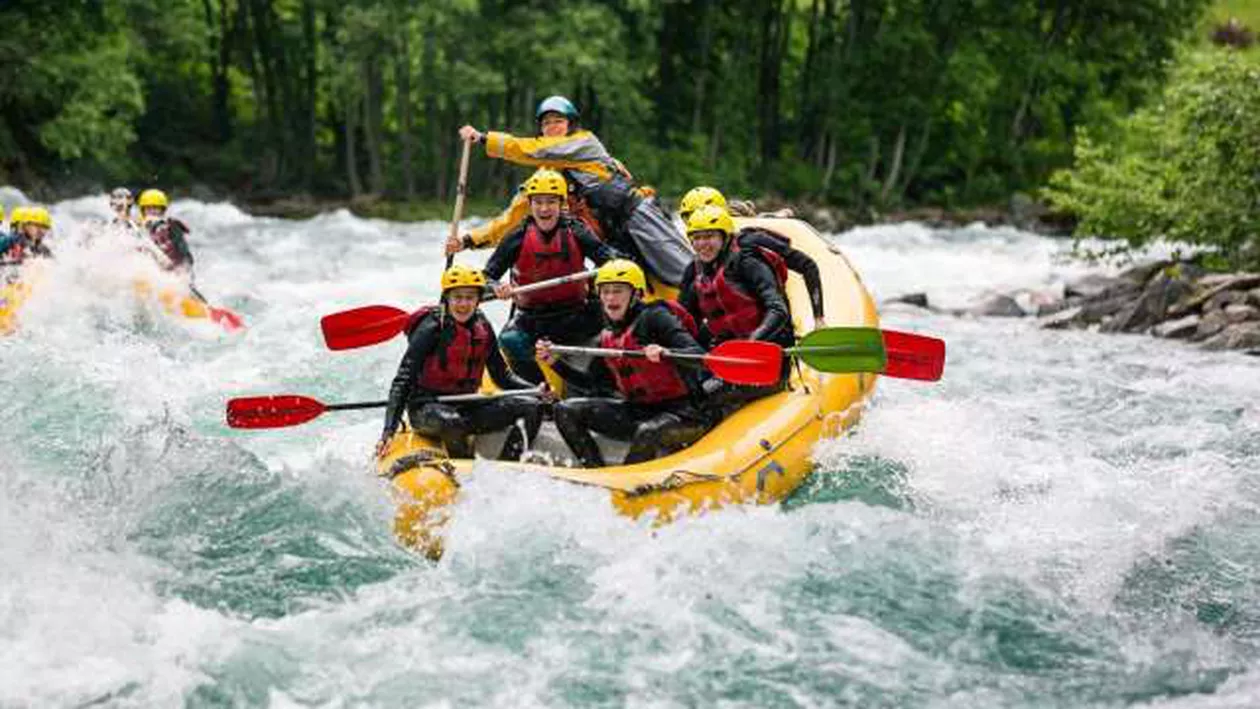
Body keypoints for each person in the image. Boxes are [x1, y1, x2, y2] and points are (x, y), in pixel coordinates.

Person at [448, 95, 692, 286]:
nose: (552, 127)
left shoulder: (585, 143)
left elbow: (532, 150)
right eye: (546, 123)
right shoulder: (545, 180)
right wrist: (468, 240)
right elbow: (511, 219)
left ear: (571, 125)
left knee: (683, 274)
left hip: (638, 217)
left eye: (558, 121)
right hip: (610, 239)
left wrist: (484, 139)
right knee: (628, 289)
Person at [537, 260, 715, 468]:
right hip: (638, 411)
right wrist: (555, 363)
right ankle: (595, 471)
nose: (610, 298)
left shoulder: (656, 317)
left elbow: (701, 358)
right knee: (565, 409)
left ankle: (627, 482)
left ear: (636, 294)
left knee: (648, 431)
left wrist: (667, 352)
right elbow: (592, 385)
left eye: (618, 291)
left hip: (685, 414)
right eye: (605, 292)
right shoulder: (608, 335)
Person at [377, 265, 543, 461]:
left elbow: (502, 376)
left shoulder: (483, 326)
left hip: (467, 404)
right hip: (427, 408)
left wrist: (535, 390)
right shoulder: (431, 327)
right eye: (457, 297)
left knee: (532, 407)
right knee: (452, 422)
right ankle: (463, 465)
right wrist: (388, 431)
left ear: (478, 300)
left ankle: (509, 463)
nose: (463, 304)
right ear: (447, 298)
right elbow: (403, 380)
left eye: (470, 297)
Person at [483, 168, 622, 384]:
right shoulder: (517, 237)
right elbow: (486, 277)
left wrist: (610, 270)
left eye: (551, 202)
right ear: (530, 204)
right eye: (538, 202)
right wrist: (497, 287)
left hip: (576, 314)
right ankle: (540, 390)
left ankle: (601, 383)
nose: (544, 208)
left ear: (561, 204)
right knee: (510, 340)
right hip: (532, 319)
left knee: (614, 328)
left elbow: (610, 259)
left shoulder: (577, 231)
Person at [680, 205, 795, 413]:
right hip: (729, 360)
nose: (702, 244)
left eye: (709, 236)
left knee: (703, 395)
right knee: (687, 389)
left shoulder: (748, 262)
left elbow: (778, 310)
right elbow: (684, 324)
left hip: (767, 361)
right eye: (697, 238)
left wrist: (752, 341)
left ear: (724, 237)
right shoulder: (697, 274)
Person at [679, 185, 826, 326]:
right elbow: (684, 312)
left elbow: (807, 265)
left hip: (771, 324)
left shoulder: (751, 241)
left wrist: (818, 319)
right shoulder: (696, 265)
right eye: (689, 218)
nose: (698, 220)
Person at [137, 189, 195, 274]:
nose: (152, 211)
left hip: (173, 268)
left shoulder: (171, 226)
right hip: (151, 268)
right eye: (148, 208)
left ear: (162, 210)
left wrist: (185, 266)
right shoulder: (138, 227)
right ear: (143, 210)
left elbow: (183, 250)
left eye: (156, 208)